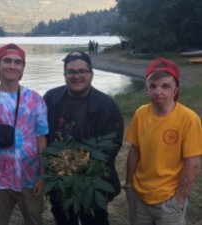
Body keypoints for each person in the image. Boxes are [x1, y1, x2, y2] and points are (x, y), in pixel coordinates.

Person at [43, 51, 124, 225]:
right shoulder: (51, 99)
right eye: (71, 72)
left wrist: (81, 165)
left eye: (82, 71)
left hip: (93, 182)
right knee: (63, 218)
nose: (76, 76)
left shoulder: (107, 105)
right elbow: (43, 136)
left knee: (95, 220)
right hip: (60, 181)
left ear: (91, 74)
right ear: (64, 74)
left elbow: (112, 145)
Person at [0, 43, 49, 225]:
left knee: (34, 220)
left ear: (23, 68)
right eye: (7, 61)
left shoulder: (35, 100)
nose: (12, 66)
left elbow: (42, 140)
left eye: (18, 62)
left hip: (30, 178)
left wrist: (43, 176)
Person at [125, 58, 202, 225]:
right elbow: (135, 150)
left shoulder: (189, 119)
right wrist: (129, 184)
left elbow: (193, 164)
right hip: (140, 195)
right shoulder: (141, 114)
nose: (158, 91)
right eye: (153, 86)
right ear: (146, 89)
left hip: (169, 200)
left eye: (165, 86)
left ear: (175, 90)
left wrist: (179, 199)